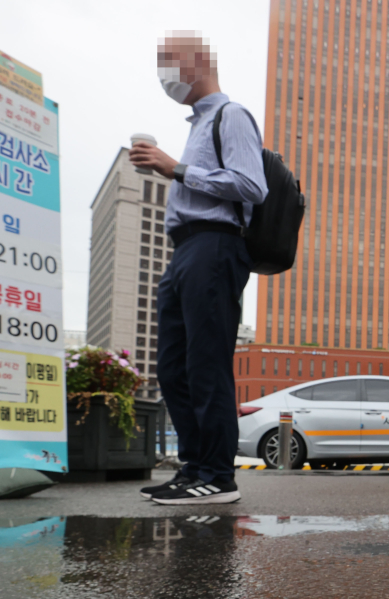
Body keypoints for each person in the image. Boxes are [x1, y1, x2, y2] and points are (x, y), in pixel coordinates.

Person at [130, 32, 267, 505]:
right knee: (174, 367)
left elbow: (252, 185)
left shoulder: (232, 115)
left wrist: (176, 169)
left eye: (168, 60)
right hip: (185, 250)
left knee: (206, 363)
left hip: (215, 244)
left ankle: (217, 475)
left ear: (199, 61)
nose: (164, 72)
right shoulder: (196, 126)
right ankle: (193, 469)